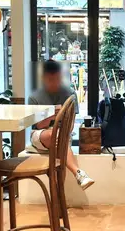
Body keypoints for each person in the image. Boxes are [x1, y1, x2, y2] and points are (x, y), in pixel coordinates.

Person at [29, 59, 95, 190]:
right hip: (40, 135)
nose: (54, 83)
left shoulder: (69, 94)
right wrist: (52, 115)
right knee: (56, 136)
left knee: (59, 138)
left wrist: (61, 125)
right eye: (50, 79)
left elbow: (70, 126)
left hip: (62, 134)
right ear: (43, 78)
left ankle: (59, 193)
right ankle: (78, 173)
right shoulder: (35, 97)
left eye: (57, 79)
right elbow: (38, 126)